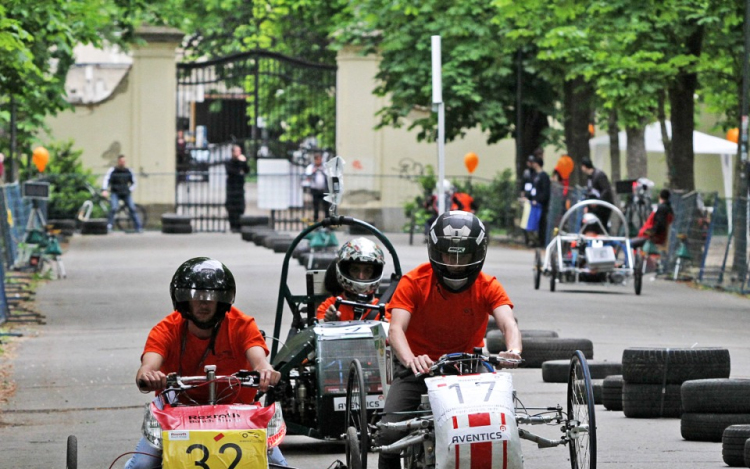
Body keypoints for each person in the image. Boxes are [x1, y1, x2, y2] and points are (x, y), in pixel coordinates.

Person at [377, 211, 522, 469]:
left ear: (477, 255)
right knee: (388, 435)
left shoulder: (488, 285)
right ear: (436, 251)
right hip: (418, 368)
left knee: (498, 425)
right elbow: (396, 329)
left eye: (463, 256)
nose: (455, 264)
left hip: (468, 367)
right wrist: (411, 360)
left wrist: (513, 349)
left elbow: (508, 322)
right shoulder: (413, 282)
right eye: (448, 255)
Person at [124, 257, 286, 469]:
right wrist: (148, 375)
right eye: (197, 297)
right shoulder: (166, 328)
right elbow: (147, 366)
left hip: (238, 413)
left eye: (211, 297)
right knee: (142, 465)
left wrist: (265, 370)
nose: (204, 303)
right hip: (176, 412)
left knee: (279, 465)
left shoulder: (242, 324)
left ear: (223, 300)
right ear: (183, 299)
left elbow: (259, 359)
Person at [316, 237, 388, 322]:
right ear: (345, 271)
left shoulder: (385, 311)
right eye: (355, 270)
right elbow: (317, 329)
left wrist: (386, 328)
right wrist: (327, 322)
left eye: (367, 270)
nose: (361, 276)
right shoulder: (330, 307)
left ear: (375, 273)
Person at [102, 154, 142, 232]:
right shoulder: (112, 170)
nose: (122, 162)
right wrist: (104, 190)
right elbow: (106, 179)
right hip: (115, 193)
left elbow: (134, 182)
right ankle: (109, 226)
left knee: (132, 208)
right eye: (121, 161)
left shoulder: (128, 171)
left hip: (126, 193)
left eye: (124, 161)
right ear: (118, 161)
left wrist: (129, 190)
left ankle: (138, 227)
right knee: (113, 208)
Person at [580, 158, 614, 234]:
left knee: (602, 225)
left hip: (603, 206)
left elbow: (606, 190)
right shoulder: (589, 178)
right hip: (595, 207)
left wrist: (598, 201)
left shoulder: (599, 175)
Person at [226, 144, 250, 232]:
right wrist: (239, 171)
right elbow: (231, 172)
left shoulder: (241, 162)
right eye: (237, 151)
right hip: (232, 188)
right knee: (231, 208)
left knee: (240, 207)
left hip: (240, 188)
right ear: (233, 152)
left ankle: (240, 225)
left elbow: (247, 170)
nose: (239, 153)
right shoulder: (229, 162)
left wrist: (244, 162)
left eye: (240, 151)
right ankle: (233, 226)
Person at [529, 154, 551, 246]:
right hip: (535, 204)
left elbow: (545, 192)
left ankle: (541, 241)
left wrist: (538, 200)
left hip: (541, 205)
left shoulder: (544, 176)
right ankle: (534, 240)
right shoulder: (535, 175)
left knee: (541, 223)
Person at [303, 150, 330, 222]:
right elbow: (307, 176)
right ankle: (315, 220)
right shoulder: (311, 167)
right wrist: (313, 171)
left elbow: (328, 175)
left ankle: (327, 222)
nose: (318, 161)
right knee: (316, 206)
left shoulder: (324, 167)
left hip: (324, 190)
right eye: (317, 159)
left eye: (319, 159)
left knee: (326, 207)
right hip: (315, 189)